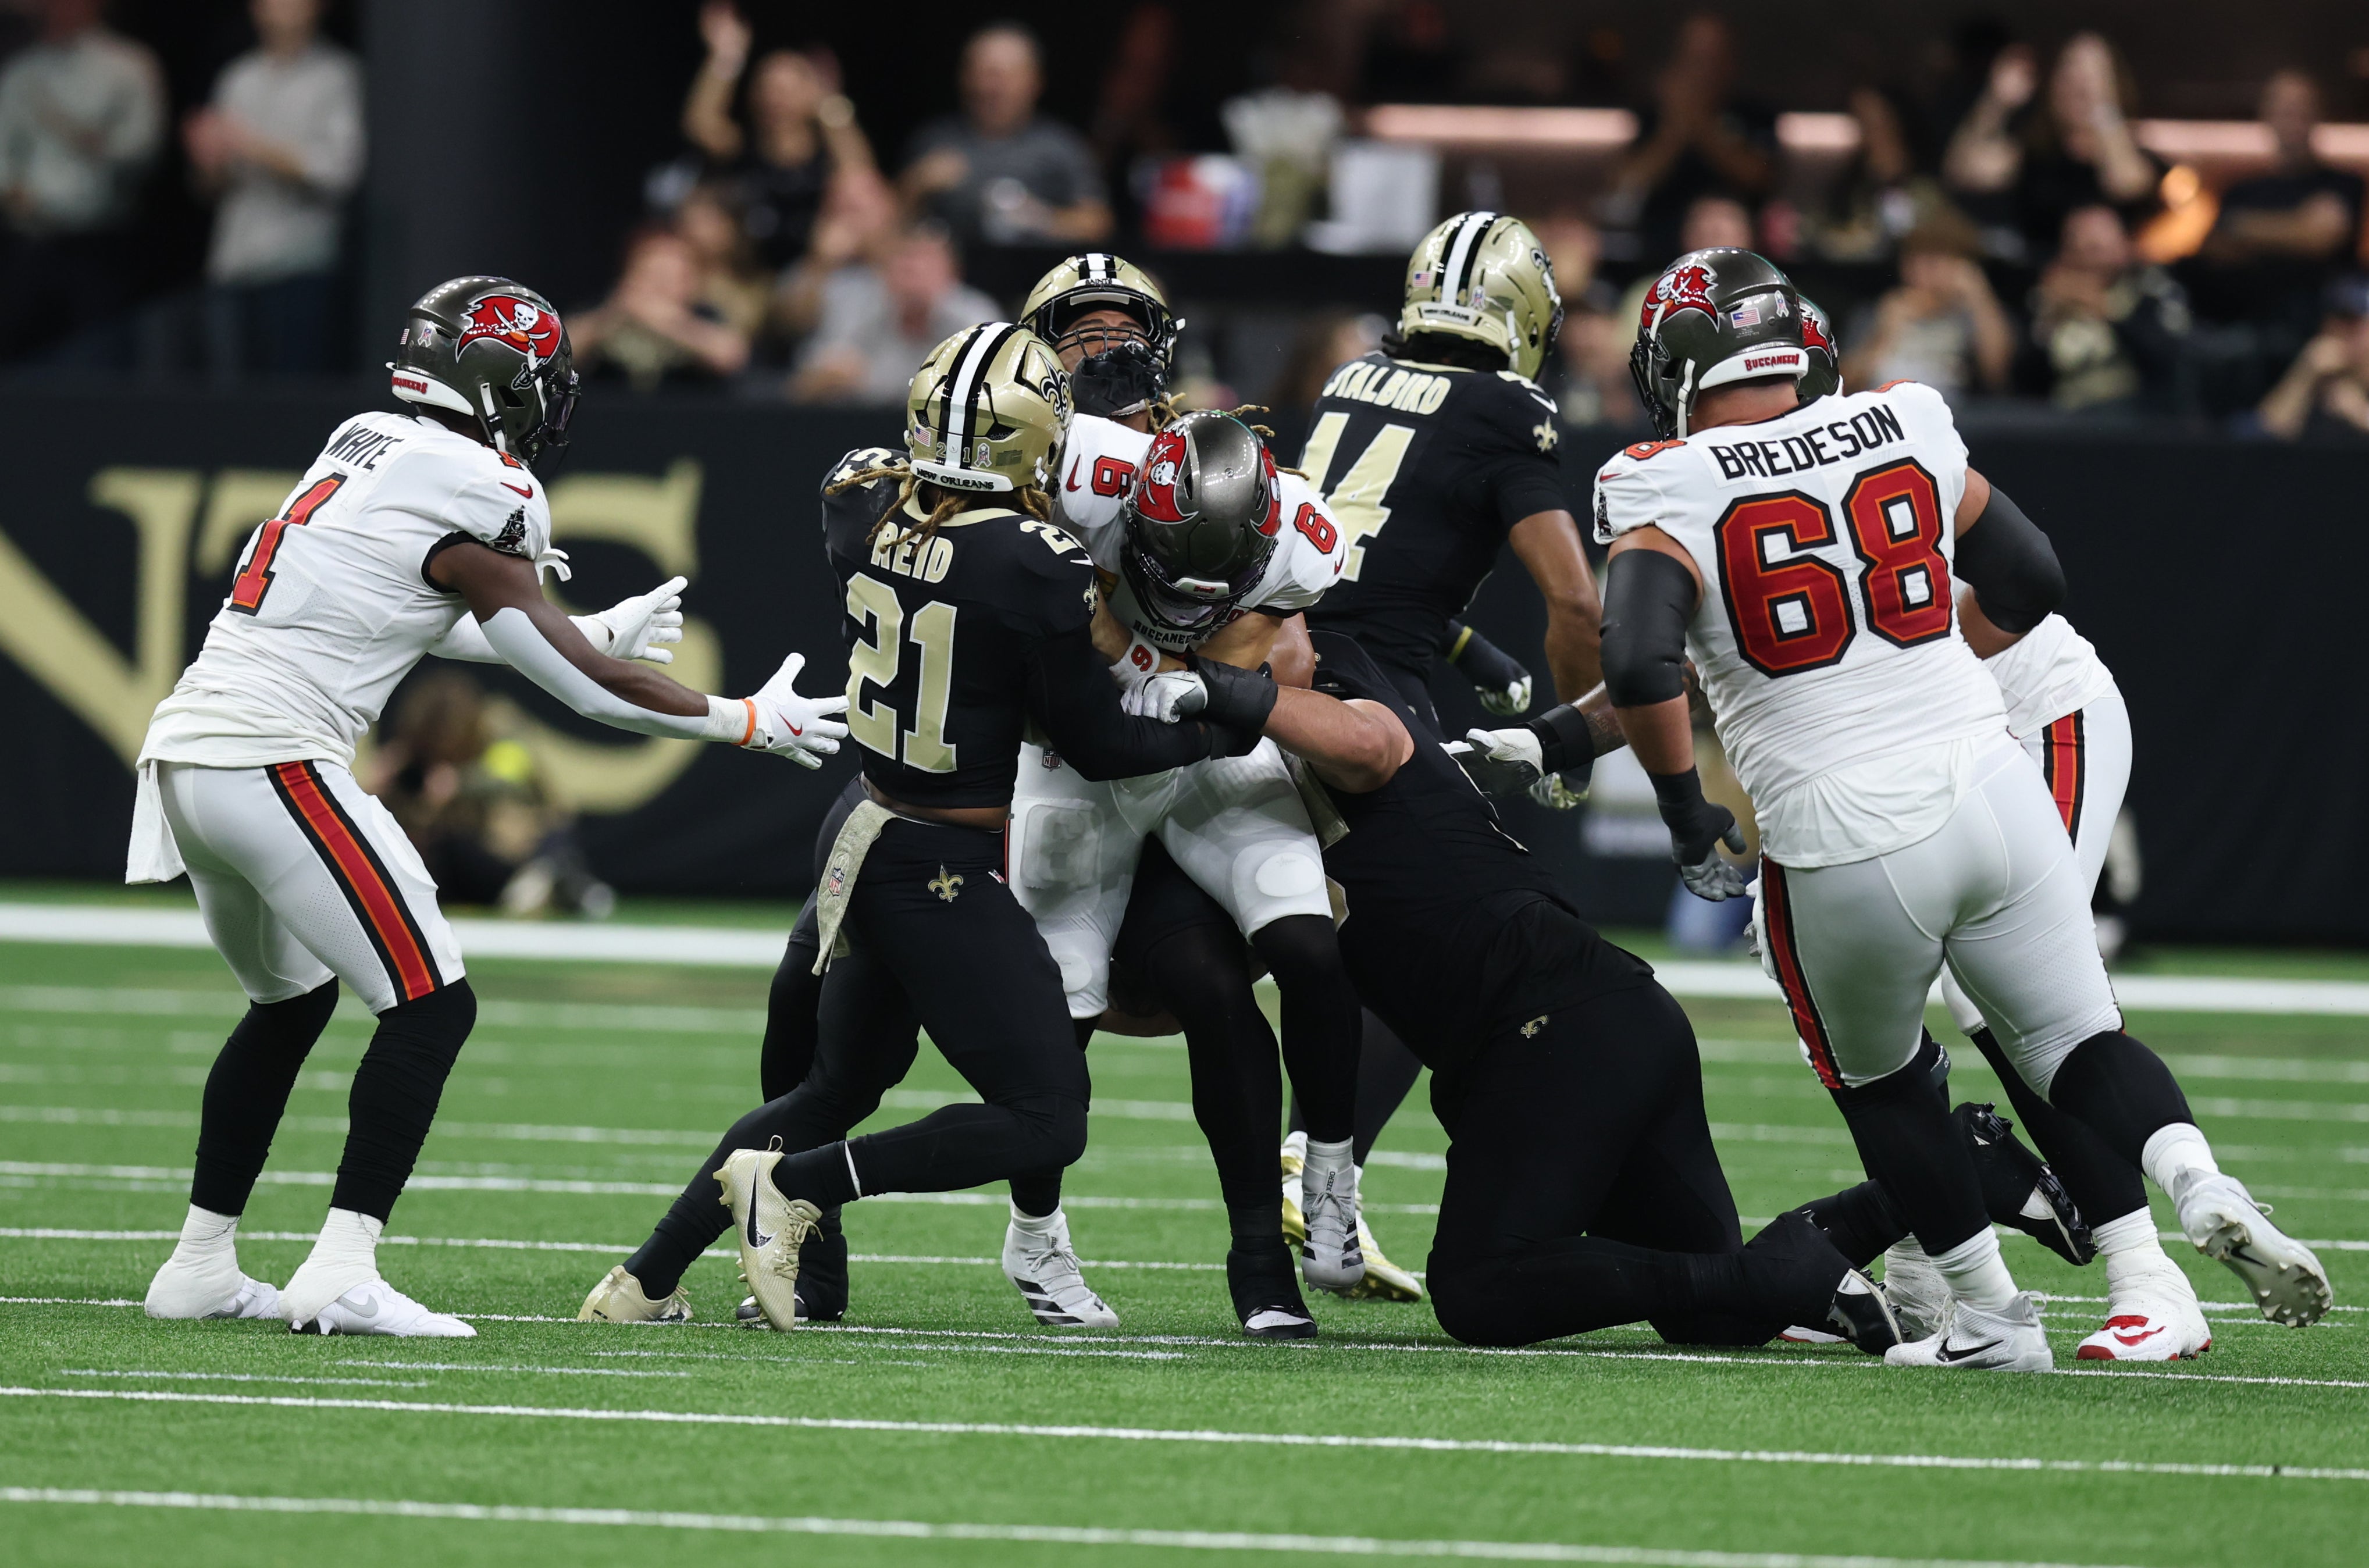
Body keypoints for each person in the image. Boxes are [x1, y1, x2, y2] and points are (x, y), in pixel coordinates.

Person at [1591, 245, 2329, 1369]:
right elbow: (2029, 576)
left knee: (1881, 1081)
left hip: (1842, 827)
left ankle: (1988, 1316)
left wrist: (1686, 811)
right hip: (1990, 781)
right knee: (2074, 1039)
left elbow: (1638, 659)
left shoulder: (1660, 480)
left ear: (1672, 370)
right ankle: (2196, 1180)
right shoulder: (1902, 419)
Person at [132, 276, 849, 1338]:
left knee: (290, 1004)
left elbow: (423, 611)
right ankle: (340, 1270)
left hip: (189, 753)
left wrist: (588, 628)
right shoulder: (485, 482)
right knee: (432, 1004)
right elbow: (581, 691)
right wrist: (745, 720)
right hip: (273, 756)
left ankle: (199, 1265)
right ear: (501, 380)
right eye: (542, 377)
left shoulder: (368, 439)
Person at [579, 323, 1256, 1332]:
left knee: (833, 1086)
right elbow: (1101, 744)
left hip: (865, 827)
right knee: (1046, 1119)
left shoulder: (859, 504)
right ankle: (794, 1186)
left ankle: (642, 1280)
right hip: (938, 862)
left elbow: (910, 526)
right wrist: (1216, 723)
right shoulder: (1038, 563)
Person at [1134, 630, 1930, 1353]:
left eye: (1275, 629)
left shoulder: (1339, 703)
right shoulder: (1275, 780)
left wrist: (1217, 686)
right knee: (1713, 1316)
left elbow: (1367, 741)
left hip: (1547, 1036)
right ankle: (1944, 1175)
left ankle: (1783, 1270)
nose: (1263, 646)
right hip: (1615, 1019)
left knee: (1478, 1290)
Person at [1003, 401, 1362, 1335]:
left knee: (1310, 947)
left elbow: (1233, 665)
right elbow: (1035, 597)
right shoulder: (1082, 471)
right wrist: (1138, 657)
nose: (1190, 596)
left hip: (1202, 740)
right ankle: (1034, 1235)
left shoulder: (1304, 537)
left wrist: (1170, 669)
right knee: (1064, 1007)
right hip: (1080, 752)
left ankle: (1330, 1179)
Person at [1286, 211, 1601, 1254]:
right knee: (1448, 943)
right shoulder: (1508, 407)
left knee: (1368, 938)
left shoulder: (1352, 376)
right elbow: (1574, 603)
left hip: (1281, 652)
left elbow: (1347, 547)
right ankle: (1317, 1164)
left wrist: (1464, 648)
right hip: (1368, 686)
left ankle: (1316, 1181)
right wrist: (1571, 738)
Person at [183, 0, 363, 377]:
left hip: (300, 264)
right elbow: (211, 189)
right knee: (227, 391)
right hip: (235, 262)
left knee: (293, 390)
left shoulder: (338, 75)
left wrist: (248, 145)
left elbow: (338, 172)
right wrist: (207, 161)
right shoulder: (238, 77)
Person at [0, 0, 163, 361]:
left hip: (99, 241)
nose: (57, 10)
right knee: (23, 358)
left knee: (97, 357)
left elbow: (141, 149)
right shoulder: (23, 71)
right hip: (33, 241)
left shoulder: (128, 66)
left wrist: (97, 146)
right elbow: (4, 153)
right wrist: (11, 190)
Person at [679, 4, 874, 272]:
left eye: (788, 90)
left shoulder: (826, 157)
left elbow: (861, 175)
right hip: (744, 275)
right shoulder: (743, 148)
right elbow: (701, 125)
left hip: (812, 275)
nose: (776, 99)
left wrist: (829, 101)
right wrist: (726, 58)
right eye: (768, 88)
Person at [2195, 72, 2366, 372]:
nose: (2294, 121)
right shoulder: (2241, 191)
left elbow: (2321, 236)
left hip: (2320, 328)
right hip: (2247, 329)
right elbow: (2215, 249)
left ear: (2318, 117)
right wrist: (2297, 226)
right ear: (2267, 116)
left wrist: (2245, 229)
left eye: (2303, 111)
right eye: (2285, 111)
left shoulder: (2343, 183)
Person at [1943, 32, 2160, 268]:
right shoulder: (2034, 154)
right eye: (2067, 76)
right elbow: (1965, 171)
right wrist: (1996, 102)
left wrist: (2103, 106)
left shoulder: (2135, 153)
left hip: (2116, 282)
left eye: (2091, 78)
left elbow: (2127, 184)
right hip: (2042, 277)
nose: (2078, 85)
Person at [900, 24, 1111, 248]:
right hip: (951, 264)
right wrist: (916, 184)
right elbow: (888, 226)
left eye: (1003, 76)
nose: (990, 88)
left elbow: (1099, 223)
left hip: (1034, 265)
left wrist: (1041, 219)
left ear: (1034, 82)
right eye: (980, 73)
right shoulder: (935, 139)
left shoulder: (1061, 146)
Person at [1604, 15, 1776, 263]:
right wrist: (1674, 128)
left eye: (1712, 57)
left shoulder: (1753, 114)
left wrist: (1698, 121)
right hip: (1661, 256)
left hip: (1741, 259)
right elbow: (1625, 184)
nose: (1702, 69)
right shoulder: (1655, 118)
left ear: (1730, 62)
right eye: (1694, 57)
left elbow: (1759, 177)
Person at [786, 220, 995, 404]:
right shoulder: (856, 305)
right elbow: (800, 387)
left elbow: (998, 394)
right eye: (904, 260)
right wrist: (829, 377)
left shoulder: (975, 318)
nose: (915, 270)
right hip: (865, 427)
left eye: (927, 261)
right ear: (883, 271)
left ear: (953, 273)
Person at [2017, 204, 2190, 413]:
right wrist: (2050, 319)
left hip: (2140, 412)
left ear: (2124, 246)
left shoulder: (2152, 288)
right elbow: (2023, 376)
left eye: (2096, 249)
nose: (2090, 261)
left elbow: (2170, 358)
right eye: (2078, 250)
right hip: (2066, 414)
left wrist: (2106, 310)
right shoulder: (2050, 295)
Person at [1843, 212, 2014, 402]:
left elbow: (1998, 374)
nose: (1918, 273)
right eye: (1911, 261)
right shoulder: (1879, 310)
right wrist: (1884, 335)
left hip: (1955, 414)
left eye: (1932, 263)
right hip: (1886, 412)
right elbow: (1844, 386)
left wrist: (1978, 295)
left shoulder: (1974, 314)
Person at [571, 227, 753, 391]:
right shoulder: (608, 312)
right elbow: (562, 352)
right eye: (651, 275)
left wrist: (666, 322)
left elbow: (732, 357)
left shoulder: (704, 315)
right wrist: (611, 315)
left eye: (670, 278)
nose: (659, 287)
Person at [2256, 276, 2369, 440]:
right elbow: (2261, 439)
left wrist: (2360, 413)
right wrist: (2305, 373)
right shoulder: (2317, 377)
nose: (2338, 329)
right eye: (2334, 319)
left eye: (2352, 322)